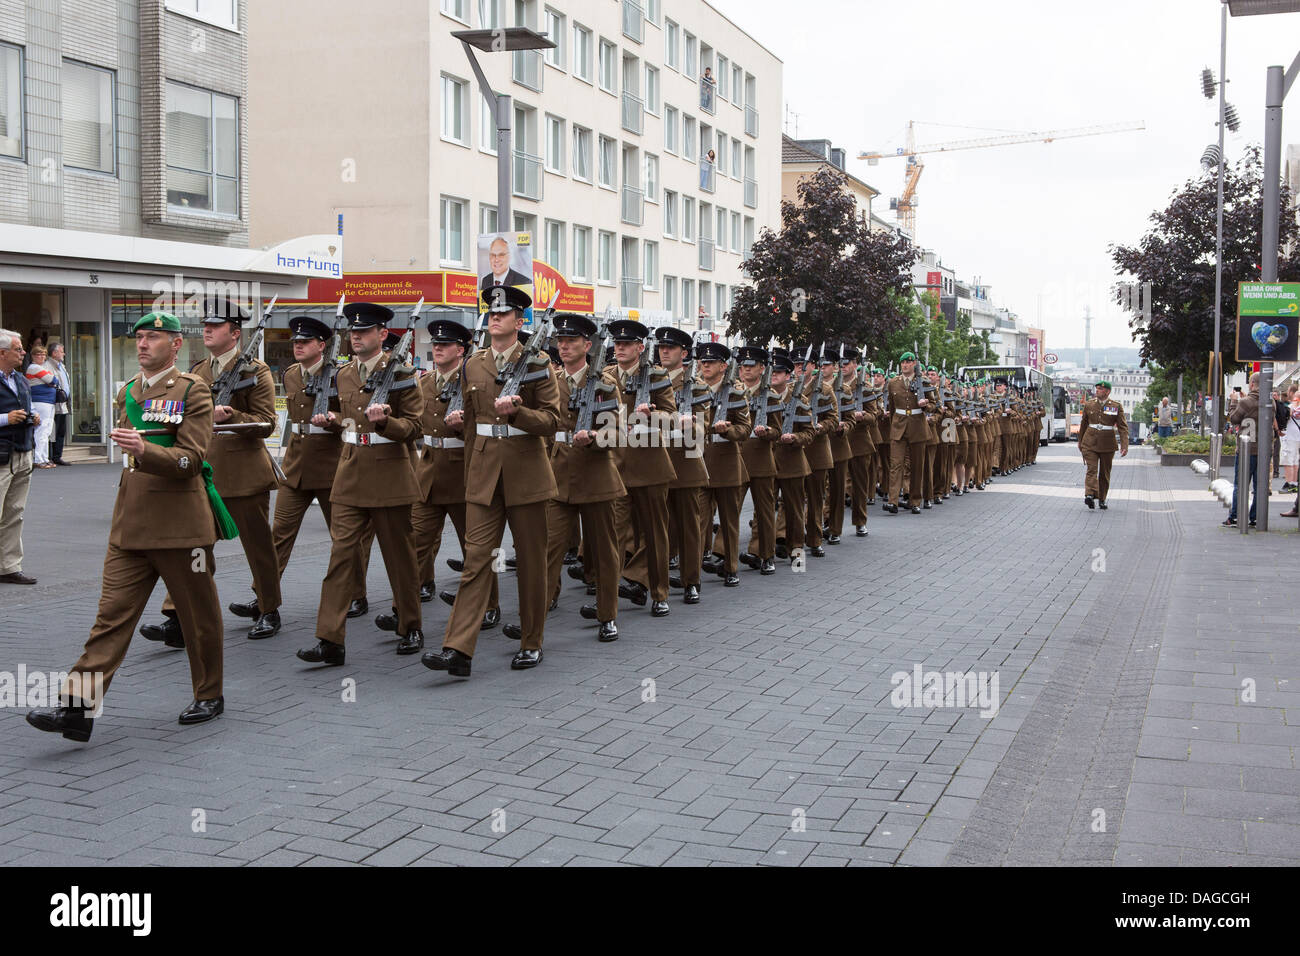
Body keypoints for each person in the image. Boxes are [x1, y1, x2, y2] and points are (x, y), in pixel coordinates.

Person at [26, 312, 226, 740]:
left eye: (153, 337)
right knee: (110, 619)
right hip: (131, 526)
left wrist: (146, 449)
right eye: (138, 337)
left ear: (175, 345)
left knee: (198, 617)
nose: (142, 343)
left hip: (181, 529)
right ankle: (76, 709)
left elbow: (192, 459)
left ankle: (209, 694)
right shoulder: (129, 391)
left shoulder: (194, 390)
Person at [422, 285, 561, 678]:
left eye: (504, 313)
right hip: (483, 475)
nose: (495, 316)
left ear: (520, 322)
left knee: (532, 563)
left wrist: (518, 414)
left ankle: (531, 641)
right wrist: (469, 460)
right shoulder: (474, 364)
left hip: (527, 474)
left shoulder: (538, 364)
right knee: (477, 560)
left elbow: (552, 421)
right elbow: (471, 426)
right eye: (491, 311)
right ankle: (458, 649)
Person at [139, 299, 281, 645]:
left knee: (258, 546)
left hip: (245, 474)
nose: (207, 330)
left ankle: (268, 608)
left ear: (235, 333)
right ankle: (178, 617)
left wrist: (230, 416)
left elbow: (267, 423)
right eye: (206, 324)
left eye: (216, 326)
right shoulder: (199, 370)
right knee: (194, 548)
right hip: (205, 474)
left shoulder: (256, 372)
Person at [294, 302, 425, 665]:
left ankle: (410, 625)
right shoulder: (344, 374)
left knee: (399, 558)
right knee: (341, 558)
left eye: (364, 331)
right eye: (352, 331)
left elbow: (415, 426)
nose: (355, 336)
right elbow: (347, 419)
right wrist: (333, 419)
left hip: (391, 476)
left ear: (382, 335)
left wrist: (386, 423)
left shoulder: (402, 372)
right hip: (350, 474)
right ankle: (330, 639)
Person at [543, 312, 624, 642]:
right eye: (560, 341)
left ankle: (607, 615)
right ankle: (539, 609)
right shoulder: (550, 380)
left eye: (571, 341)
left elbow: (617, 432)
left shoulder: (604, 384)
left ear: (587, 345)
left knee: (604, 551)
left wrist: (594, 437)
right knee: (547, 548)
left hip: (595, 475)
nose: (563, 346)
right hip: (558, 475)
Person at [605, 319, 676, 617]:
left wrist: (653, 413)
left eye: (626, 344)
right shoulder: (606, 376)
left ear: (640, 347)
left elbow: (673, 417)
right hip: (617, 463)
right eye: (617, 344)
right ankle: (606, 599)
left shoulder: (657, 375)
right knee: (612, 534)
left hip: (649, 465)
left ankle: (659, 593)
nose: (619, 348)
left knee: (654, 533)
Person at [0, 329, 37, 585]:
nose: (23, 353)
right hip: (1, 455)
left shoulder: (22, 380)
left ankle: (9, 565)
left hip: (23, 453)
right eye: (18, 349)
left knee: (15, 512)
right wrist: (5, 419)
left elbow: (29, 409)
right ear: (2, 353)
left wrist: (33, 418)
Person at [885, 351, 929, 515]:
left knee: (917, 465)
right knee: (896, 465)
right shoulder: (893, 383)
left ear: (914, 364)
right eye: (903, 363)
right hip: (899, 426)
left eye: (908, 363)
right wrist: (893, 426)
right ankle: (893, 501)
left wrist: (925, 405)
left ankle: (915, 500)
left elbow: (934, 404)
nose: (905, 365)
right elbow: (891, 407)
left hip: (917, 426)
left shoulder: (923, 382)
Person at [1078, 379, 1129, 510]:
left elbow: (1123, 427)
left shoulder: (1116, 406)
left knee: (1104, 473)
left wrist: (1124, 445)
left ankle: (1102, 498)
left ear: (1107, 391)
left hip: (1107, 443)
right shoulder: (1089, 405)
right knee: (1092, 469)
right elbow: (1083, 424)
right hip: (1089, 442)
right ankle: (1089, 495)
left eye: (1100, 389)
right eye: (1097, 389)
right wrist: (1080, 442)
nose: (1097, 391)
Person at [25, 343, 57, 468]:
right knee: (41, 431)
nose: (42, 357)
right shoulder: (34, 368)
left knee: (47, 431)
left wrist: (50, 380)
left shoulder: (41, 368)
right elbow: (53, 380)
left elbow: (52, 380)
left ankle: (44, 458)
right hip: (41, 401)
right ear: (33, 356)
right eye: (38, 354)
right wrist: (50, 380)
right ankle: (38, 459)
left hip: (48, 401)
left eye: (43, 354)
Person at [46, 342, 71, 466]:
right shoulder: (47, 366)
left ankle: (57, 456)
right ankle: (50, 456)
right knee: (51, 432)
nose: (64, 353)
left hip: (63, 404)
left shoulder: (62, 366)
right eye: (62, 351)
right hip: (53, 404)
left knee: (61, 431)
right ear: (54, 353)